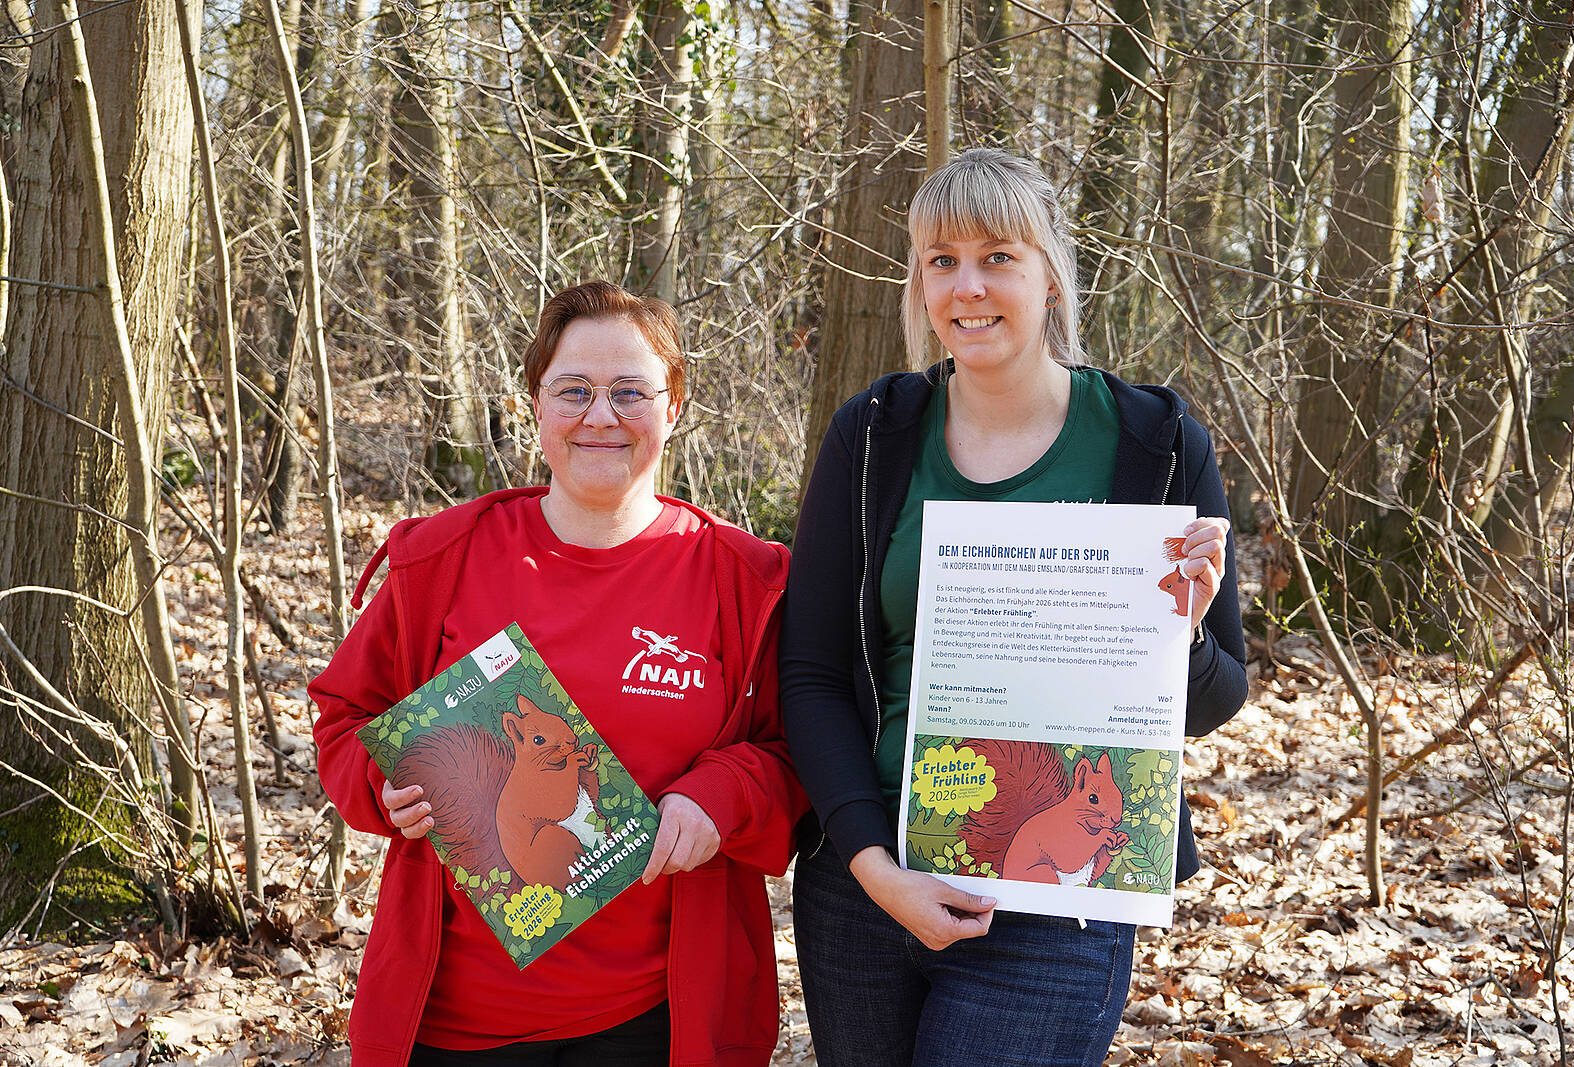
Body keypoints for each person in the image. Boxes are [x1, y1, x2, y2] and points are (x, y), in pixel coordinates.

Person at [779, 147, 1248, 1066]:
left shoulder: (1155, 444)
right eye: (942, 261)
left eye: (998, 256)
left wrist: (1180, 634)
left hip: (1057, 901)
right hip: (867, 881)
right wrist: (872, 865)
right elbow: (813, 672)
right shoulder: (872, 435)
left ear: (1051, 275)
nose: (969, 286)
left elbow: (1215, 697)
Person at [312, 280, 808, 1067]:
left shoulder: (745, 578)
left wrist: (721, 794)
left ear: (674, 406)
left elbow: (795, 751)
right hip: (453, 1020)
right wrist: (385, 784)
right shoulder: (445, 558)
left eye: (630, 392)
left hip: (659, 1018)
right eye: (574, 389)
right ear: (535, 405)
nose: (600, 415)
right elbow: (343, 717)